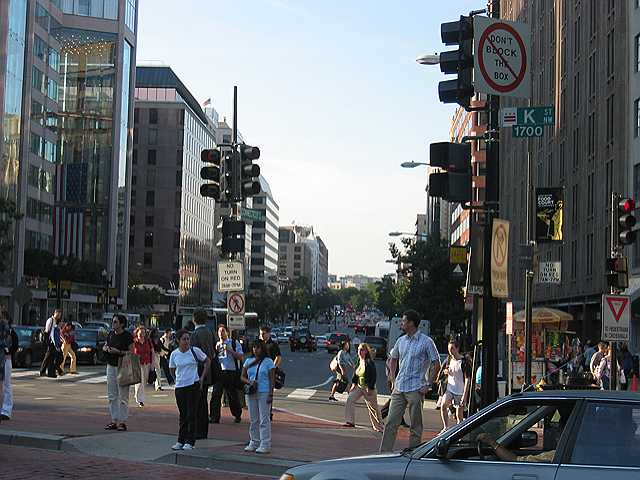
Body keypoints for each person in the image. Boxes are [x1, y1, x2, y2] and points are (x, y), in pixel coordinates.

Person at [380, 309, 440, 453]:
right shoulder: (401, 340)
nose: (402, 323)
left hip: (416, 388)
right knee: (391, 422)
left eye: (404, 321)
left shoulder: (426, 341)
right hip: (399, 387)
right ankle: (384, 452)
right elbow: (393, 359)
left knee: (415, 425)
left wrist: (428, 384)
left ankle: (413, 453)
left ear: (412, 323)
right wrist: (392, 379)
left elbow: (436, 363)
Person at [169, 329, 211, 450]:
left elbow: (207, 360)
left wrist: (202, 377)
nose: (187, 341)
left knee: (191, 414)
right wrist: (177, 378)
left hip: (193, 385)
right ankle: (180, 440)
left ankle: (190, 441)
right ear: (178, 340)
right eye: (184, 339)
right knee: (183, 414)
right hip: (180, 386)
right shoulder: (174, 354)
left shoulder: (194, 351)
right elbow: (172, 369)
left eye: (188, 339)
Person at [241, 339, 276, 454]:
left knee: (264, 419)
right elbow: (242, 376)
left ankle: (265, 443)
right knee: (253, 419)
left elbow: (272, 379)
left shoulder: (268, 361)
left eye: (258, 347)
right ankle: (254, 441)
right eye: (254, 347)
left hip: (264, 391)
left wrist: (271, 394)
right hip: (252, 392)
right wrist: (249, 382)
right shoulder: (248, 361)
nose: (255, 350)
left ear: (262, 349)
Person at [102, 314, 134, 431]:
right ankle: (114, 420)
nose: (113, 324)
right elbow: (106, 345)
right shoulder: (111, 334)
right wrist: (105, 348)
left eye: (115, 322)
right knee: (112, 394)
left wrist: (119, 351)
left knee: (123, 396)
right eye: (113, 321)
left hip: (123, 367)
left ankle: (122, 421)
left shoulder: (127, 336)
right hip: (111, 366)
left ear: (122, 324)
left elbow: (131, 352)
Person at [189, 310, 217, 439]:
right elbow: (214, 350)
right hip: (209, 369)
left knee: (198, 402)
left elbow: (193, 354)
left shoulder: (195, 334)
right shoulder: (210, 332)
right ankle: (203, 430)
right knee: (203, 401)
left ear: (194, 319)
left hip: (199, 370)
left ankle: (198, 430)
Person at [344, 343, 383, 432]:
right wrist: (353, 384)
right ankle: (350, 421)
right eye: (358, 350)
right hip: (359, 386)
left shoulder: (369, 362)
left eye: (361, 350)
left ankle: (379, 425)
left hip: (368, 387)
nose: (359, 352)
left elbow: (373, 375)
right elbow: (356, 373)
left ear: (365, 351)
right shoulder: (359, 360)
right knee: (350, 399)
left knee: (373, 408)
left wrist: (370, 387)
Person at [211, 325, 243, 424]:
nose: (221, 333)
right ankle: (214, 417)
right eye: (219, 331)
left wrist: (230, 350)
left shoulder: (233, 343)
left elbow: (241, 357)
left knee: (232, 395)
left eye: (223, 331)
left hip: (231, 371)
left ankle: (237, 414)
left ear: (227, 333)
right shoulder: (216, 344)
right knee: (216, 394)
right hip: (220, 372)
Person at [439, 337, 471, 431]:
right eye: (449, 349)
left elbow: (467, 379)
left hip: (460, 390)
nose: (450, 351)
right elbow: (445, 370)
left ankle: (459, 431)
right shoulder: (449, 359)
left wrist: (464, 396)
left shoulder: (463, 362)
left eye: (452, 348)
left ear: (457, 348)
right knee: (443, 405)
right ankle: (445, 427)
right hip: (450, 388)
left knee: (459, 415)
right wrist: (445, 371)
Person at [259, 325, 282, 421]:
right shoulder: (259, 344)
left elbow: (278, 357)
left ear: (268, 333)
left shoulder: (273, 345)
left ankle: (269, 412)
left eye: (263, 334)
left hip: (269, 373)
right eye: (260, 334)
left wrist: (273, 367)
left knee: (268, 392)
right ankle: (262, 411)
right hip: (259, 371)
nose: (261, 335)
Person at [0, 311, 16, 421]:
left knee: (6, 384)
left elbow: (13, 345)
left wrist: (8, 352)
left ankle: (6, 410)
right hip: (4, 358)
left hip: (6, 359)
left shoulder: (10, 332)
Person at [132, 326, 153, 407]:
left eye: (143, 333)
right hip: (137, 364)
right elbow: (131, 353)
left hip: (146, 363)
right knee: (139, 382)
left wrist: (152, 364)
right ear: (137, 333)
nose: (142, 334)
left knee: (144, 382)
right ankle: (139, 399)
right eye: (140, 333)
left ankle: (140, 397)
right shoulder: (134, 342)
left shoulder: (148, 341)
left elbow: (152, 352)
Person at [40, 309, 63, 378]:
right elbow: (47, 331)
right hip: (50, 341)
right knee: (48, 357)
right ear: (55, 313)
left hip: (54, 342)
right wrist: (48, 341)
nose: (59, 316)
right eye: (58, 314)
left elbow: (57, 333)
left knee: (52, 357)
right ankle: (43, 371)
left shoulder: (56, 321)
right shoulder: (50, 320)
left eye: (60, 315)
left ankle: (51, 372)